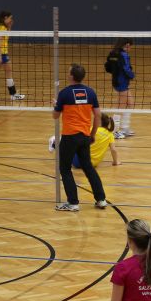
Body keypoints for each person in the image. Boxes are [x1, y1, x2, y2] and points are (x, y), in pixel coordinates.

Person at [54, 64, 107, 212]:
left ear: (71, 76)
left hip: (70, 137)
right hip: (84, 136)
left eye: (68, 72)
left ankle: (73, 203)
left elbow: (55, 116)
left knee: (65, 168)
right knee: (88, 167)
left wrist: (56, 106)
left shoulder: (64, 93)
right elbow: (97, 115)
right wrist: (92, 134)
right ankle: (101, 199)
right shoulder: (90, 92)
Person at [106, 39, 135, 138]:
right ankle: (114, 131)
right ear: (127, 45)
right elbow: (126, 69)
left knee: (130, 103)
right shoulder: (123, 55)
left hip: (117, 81)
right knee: (120, 106)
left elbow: (107, 67)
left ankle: (124, 128)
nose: (130, 48)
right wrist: (132, 75)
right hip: (122, 82)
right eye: (130, 46)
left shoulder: (113, 53)